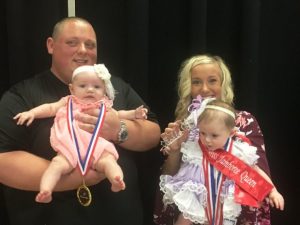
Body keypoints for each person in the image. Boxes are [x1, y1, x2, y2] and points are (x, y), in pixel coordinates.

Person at [0, 17, 161, 225]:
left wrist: (118, 130)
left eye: (90, 45)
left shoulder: (113, 88)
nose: (84, 50)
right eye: (72, 42)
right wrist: (76, 179)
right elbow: (3, 160)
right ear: (51, 45)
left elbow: (153, 132)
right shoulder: (22, 96)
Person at [154, 54, 277, 225]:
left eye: (212, 80)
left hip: (234, 214)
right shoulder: (183, 125)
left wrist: (273, 191)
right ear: (188, 87)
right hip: (193, 214)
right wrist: (174, 151)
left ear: (223, 85)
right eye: (196, 82)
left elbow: (256, 170)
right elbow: (170, 177)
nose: (204, 89)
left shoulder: (244, 121)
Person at [14, 64, 149, 203]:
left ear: (104, 91)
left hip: (96, 145)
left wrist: (134, 113)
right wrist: (32, 113)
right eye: (83, 86)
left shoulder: (103, 106)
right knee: (57, 164)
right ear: (72, 89)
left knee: (108, 161)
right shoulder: (68, 101)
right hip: (70, 145)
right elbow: (50, 108)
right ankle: (46, 190)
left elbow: (120, 114)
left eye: (97, 87)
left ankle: (116, 180)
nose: (90, 90)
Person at [159, 98, 284, 225]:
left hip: (223, 204)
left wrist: (273, 191)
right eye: (202, 133)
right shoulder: (194, 147)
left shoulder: (238, 150)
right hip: (197, 197)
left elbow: (255, 171)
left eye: (214, 135)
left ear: (230, 133)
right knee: (183, 219)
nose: (207, 140)